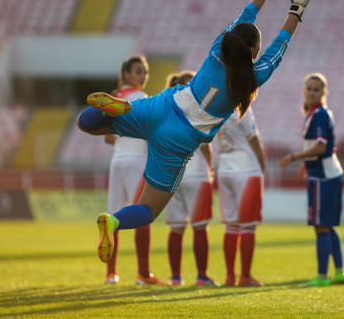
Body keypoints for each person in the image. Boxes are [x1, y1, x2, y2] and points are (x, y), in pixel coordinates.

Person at [76, 0, 320, 264]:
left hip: (163, 105)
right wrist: (298, 7)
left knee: (88, 123)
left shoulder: (218, 47)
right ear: (253, 51)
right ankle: (114, 221)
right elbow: (279, 46)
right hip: (178, 140)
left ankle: (115, 107)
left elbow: (246, 16)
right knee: (148, 210)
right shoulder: (253, 77)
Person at [102, 55, 167, 285]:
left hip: (117, 160)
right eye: (138, 71)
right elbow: (152, 132)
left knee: (112, 217)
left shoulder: (114, 98)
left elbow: (108, 138)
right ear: (126, 74)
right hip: (137, 160)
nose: (143, 76)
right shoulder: (141, 97)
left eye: (145, 72)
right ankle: (143, 273)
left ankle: (111, 274)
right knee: (142, 214)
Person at [279, 73, 344, 287]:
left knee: (320, 225)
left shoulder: (319, 115)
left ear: (323, 93)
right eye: (309, 88)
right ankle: (339, 272)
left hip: (323, 176)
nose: (311, 92)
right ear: (303, 90)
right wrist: (304, 163)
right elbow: (316, 147)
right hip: (327, 172)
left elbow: (320, 147)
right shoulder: (317, 113)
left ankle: (321, 275)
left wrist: (293, 157)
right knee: (327, 225)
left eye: (316, 89)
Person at [163, 71, 218, 286]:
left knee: (176, 228)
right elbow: (205, 146)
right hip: (197, 175)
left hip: (173, 174)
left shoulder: (167, 109)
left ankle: (176, 277)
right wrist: (211, 169)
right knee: (200, 227)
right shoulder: (200, 108)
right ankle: (201, 276)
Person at [216, 104, 266, 287]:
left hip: (224, 167)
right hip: (245, 167)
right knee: (247, 226)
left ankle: (230, 276)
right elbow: (253, 138)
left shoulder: (217, 107)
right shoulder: (242, 108)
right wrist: (262, 166)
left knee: (231, 225)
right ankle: (245, 277)